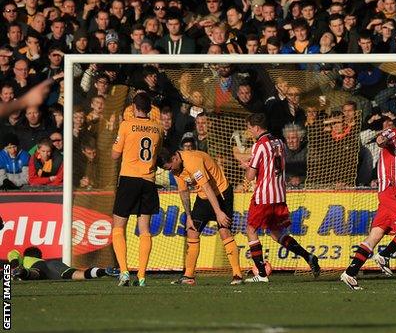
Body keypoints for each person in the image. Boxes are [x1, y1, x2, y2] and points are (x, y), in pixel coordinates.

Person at [341, 102, 396, 290]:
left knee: (375, 235)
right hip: (390, 189)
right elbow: (380, 140)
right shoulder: (393, 133)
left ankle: (350, 273)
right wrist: (382, 139)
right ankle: (385, 255)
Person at [243, 113, 320, 283]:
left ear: (256, 128)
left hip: (264, 195)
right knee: (275, 232)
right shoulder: (278, 142)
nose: (249, 132)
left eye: (249, 128)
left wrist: (247, 166)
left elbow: (250, 176)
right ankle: (308, 256)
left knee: (251, 229)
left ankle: (261, 274)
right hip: (279, 194)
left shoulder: (259, 145)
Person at [157, 148, 243, 286]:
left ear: (175, 158)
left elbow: (208, 187)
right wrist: (189, 216)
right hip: (203, 197)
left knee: (224, 231)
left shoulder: (192, 161)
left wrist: (219, 213)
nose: (171, 171)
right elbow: (183, 192)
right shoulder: (176, 169)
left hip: (220, 193)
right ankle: (188, 276)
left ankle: (237, 275)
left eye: (170, 167)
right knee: (192, 230)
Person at [110, 92, 163, 287]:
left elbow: (115, 155)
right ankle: (141, 276)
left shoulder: (126, 125)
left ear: (133, 106)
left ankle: (124, 272)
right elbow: (157, 155)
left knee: (118, 227)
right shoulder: (158, 128)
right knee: (144, 230)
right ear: (150, 108)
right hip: (148, 181)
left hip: (129, 180)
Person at [8, 247, 118, 281]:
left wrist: (15, 266)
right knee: (77, 275)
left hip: (38, 268)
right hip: (55, 265)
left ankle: (22, 272)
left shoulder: (24, 258)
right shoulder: (43, 260)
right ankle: (103, 271)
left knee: (35, 273)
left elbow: (13, 254)